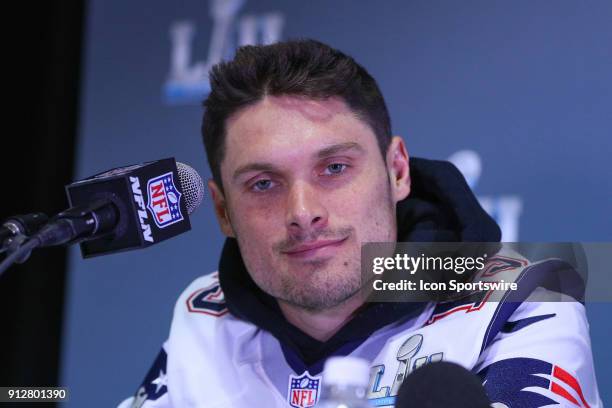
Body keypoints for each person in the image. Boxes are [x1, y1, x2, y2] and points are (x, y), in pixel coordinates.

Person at [119, 39, 601, 407]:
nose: (302, 211)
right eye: (264, 184)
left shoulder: (524, 296)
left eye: (334, 168)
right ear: (223, 211)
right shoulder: (203, 315)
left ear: (397, 171)